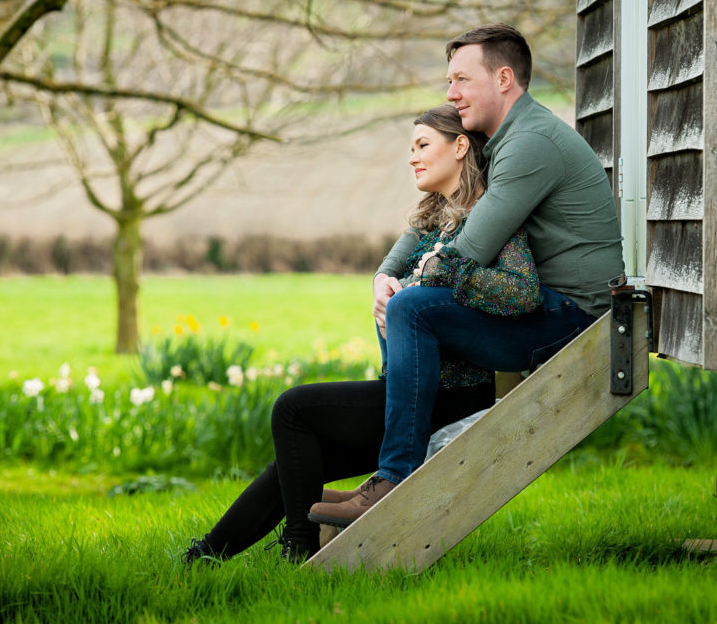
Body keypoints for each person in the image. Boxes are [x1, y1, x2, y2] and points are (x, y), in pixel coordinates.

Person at [183, 105, 541, 563]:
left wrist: (443, 277)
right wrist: (386, 283)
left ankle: (297, 548)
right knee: (296, 462)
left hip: (449, 394)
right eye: (411, 148)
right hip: (407, 390)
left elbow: (522, 292)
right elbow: (397, 263)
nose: (412, 157)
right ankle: (204, 559)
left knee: (292, 410)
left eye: (422, 146)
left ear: (460, 146)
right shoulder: (433, 223)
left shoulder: (489, 220)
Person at [308, 23, 625, 527]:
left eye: (460, 80)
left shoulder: (529, 144)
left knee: (412, 306)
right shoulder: (508, 139)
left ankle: (394, 478)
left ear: (503, 78)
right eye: (448, 82)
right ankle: (397, 461)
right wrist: (386, 274)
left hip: (572, 315)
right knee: (402, 299)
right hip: (549, 304)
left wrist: (407, 289)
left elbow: (470, 246)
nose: (450, 95)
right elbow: (437, 219)